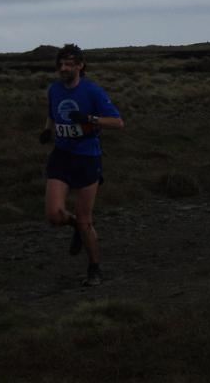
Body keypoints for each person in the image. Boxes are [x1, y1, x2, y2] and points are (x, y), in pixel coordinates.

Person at [39, 44, 124, 287]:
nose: (63, 68)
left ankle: (94, 268)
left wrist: (89, 119)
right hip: (62, 156)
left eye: (68, 64)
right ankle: (75, 224)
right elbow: (52, 114)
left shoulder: (92, 91)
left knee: (86, 220)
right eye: (60, 64)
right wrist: (47, 130)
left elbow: (118, 122)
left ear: (80, 66)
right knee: (54, 216)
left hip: (87, 157)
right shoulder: (54, 90)